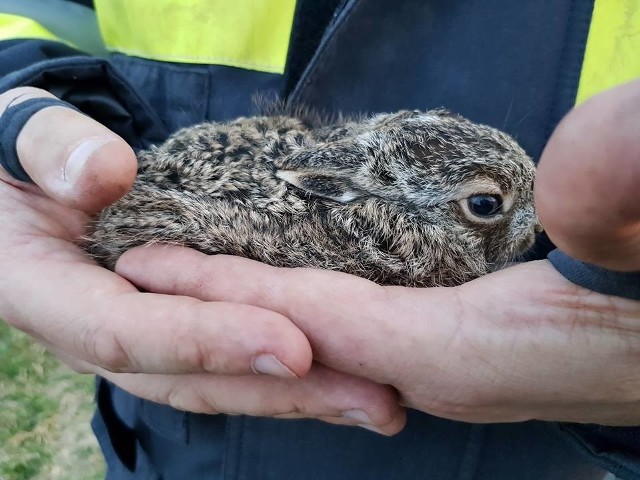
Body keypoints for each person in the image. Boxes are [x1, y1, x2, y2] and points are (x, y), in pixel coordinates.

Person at [1, 1, 640, 479]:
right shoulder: (419, 252)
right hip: (174, 419)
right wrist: (20, 93)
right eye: (486, 206)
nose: (538, 221)